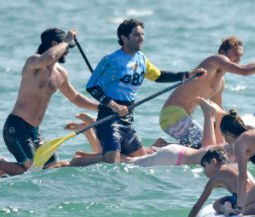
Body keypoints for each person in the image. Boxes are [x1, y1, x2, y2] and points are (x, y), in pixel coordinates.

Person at [76, 19, 205, 165]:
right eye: (137, 35)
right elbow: (92, 86)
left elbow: (159, 76)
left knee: (140, 161)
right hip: (109, 118)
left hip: (127, 119)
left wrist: (187, 75)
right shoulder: (111, 60)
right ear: (124, 38)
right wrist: (114, 106)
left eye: (142, 34)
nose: (141, 38)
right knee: (112, 163)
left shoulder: (142, 59)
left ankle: (86, 158)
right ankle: (78, 162)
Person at [0, 28, 98, 176]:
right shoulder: (34, 63)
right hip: (17, 126)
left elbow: (75, 97)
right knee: (32, 170)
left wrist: (102, 107)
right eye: (66, 47)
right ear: (55, 44)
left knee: (50, 169)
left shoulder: (60, 73)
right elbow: (49, 57)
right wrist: (67, 41)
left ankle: (0, 171)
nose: (67, 51)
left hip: (34, 132)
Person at [159, 36, 255, 146]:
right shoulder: (214, 60)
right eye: (235, 53)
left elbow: (218, 112)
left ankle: (161, 146)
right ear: (222, 52)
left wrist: (235, 131)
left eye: (240, 56)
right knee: (206, 147)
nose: (238, 59)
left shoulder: (220, 83)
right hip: (171, 114)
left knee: (214, 146)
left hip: (183, 117)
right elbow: (244, 71)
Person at [180, 147, 255, 217]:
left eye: (205, 166)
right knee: (227, 198)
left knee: (216, 204)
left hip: (242, 201)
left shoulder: (215, 178)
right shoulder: (237, 168)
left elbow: (198, 205)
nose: (204, 171)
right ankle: (229, 205)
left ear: (213, 162)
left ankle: (228, 209)